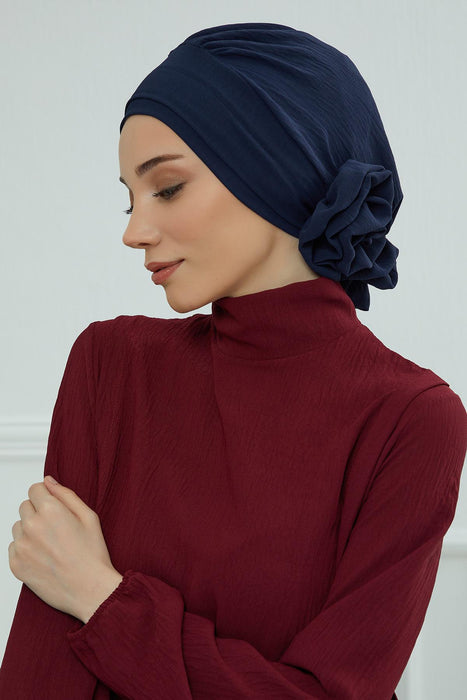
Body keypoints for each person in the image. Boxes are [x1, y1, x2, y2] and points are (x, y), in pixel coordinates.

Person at [1, 21, 466, 700]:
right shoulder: (111, 364)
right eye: (128, 198)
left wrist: (102, 600)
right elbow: (41, 671)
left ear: (274, 168)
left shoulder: (410, 418)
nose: (133, 231)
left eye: (166, 188)